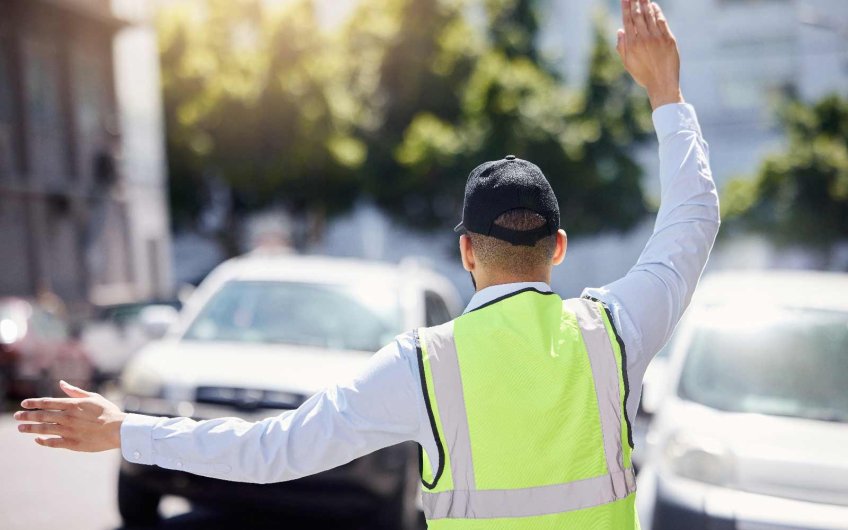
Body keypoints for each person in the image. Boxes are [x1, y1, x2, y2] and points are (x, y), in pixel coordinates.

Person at [14, 1, 719, 528]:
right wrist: (666, 94)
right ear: (557, 248)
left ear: (466, 250)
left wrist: (125, 429)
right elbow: (693, 220)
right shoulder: (616, 333)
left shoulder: (424, 365)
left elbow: (271, 450)